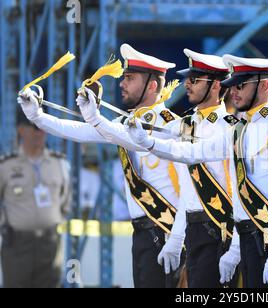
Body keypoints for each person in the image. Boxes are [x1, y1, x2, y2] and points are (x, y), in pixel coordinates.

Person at [127, 55, 268, 288]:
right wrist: (148, 142)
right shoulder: (240, 130)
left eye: (241, 85)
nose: (233, 92)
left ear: (263, 86)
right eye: (232, 85)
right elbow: (192, 152)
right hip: (248, 241)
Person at [17, 44, 182, 288]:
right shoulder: (125, 124)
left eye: (130, 78)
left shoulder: (170, 126)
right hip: (142, 234)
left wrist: (96, 118)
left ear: (153, 86)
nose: (122, 84)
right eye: (124, 77)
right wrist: (38, 117)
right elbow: (81, 131)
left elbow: (134, 141)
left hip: (168, 231)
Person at [0, 112, 71, 288]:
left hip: (50, 243)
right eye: (35, 128)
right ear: (21, 130)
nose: (40, 133)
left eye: (43, 128)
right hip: (17, 244)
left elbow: (65, 200)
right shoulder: (6, 166)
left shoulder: (59, 163)